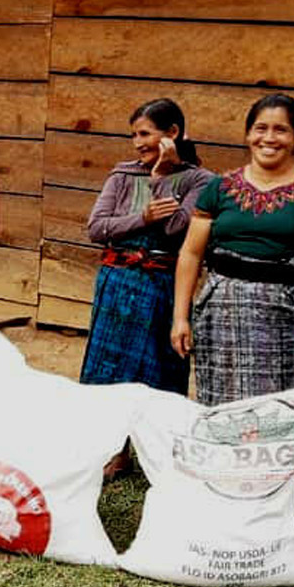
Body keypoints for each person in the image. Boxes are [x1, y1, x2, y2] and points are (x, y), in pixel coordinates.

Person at [172, 94, 294, 409]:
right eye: (260, 128)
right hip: (221, 312)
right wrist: (180, 318)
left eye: (280, 130)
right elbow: (191, 254)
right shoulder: (220, 188)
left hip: (290, 314)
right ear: (248, 134)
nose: (269, 138)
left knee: (285, 408)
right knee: (224, 405)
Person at [82, 99, 214, 476]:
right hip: (118, 282)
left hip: (163, 285)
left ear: (172, 133)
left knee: (158, 368)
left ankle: (159, 454)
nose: (137, 143)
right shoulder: (122, 176)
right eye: (133, 134)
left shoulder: (200, 181)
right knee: (109, 368)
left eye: (145, 133)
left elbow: (177, 230)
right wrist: (140, 217)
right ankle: (112, 450)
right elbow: (97, 228)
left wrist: (161, 180)